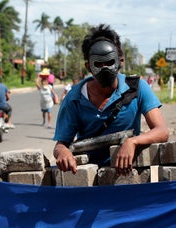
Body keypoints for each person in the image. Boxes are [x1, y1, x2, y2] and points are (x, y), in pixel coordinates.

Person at [53, 24, 168, 175]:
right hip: (90, 176)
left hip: (127, 173)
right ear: (88, 66)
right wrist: (63, 153)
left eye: (109, 62)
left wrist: (132, 142)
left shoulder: (137, 88)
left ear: (120, 61)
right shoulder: (74, 98)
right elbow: (61, 144)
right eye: (98, 64)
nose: (104, 69)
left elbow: (162, 131)